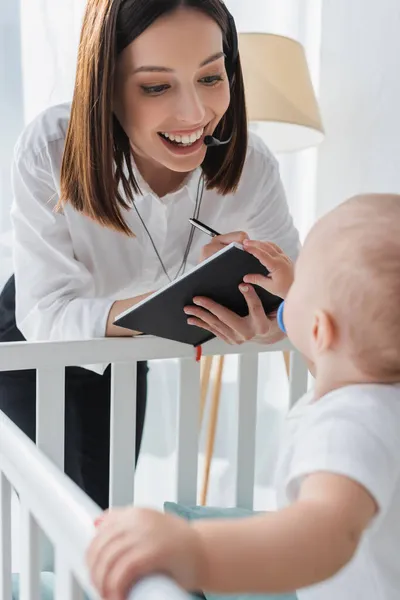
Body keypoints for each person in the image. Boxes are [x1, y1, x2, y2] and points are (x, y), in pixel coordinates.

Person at [0, 0, 299, 510]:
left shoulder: (253, 168)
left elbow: (298, 304)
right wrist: (169, 304)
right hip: (34, 340)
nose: (195, 114)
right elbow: (46, 313)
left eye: (211, 78)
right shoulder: (50, 148)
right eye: (156, 86)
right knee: (45, 510)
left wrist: (270, 318)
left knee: (104, 510)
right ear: (106, 87)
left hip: (129, 348)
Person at [87, 194, 400, 600]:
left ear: (321, 331)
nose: (291, 288)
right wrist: (297, 291)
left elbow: (323, 532)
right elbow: (332, 361)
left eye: (301, 278)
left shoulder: (350, 424)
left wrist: (196, 551)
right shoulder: (375, 393)